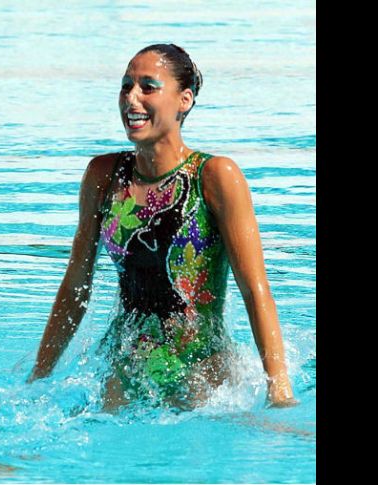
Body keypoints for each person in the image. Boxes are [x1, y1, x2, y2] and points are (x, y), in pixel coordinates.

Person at [28, 43, 296, 410]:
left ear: (184, 100)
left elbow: (255, 289)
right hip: (126, 363)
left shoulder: (215, 176)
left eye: (148, 87)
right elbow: (76, 286)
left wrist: (279, 391)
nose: (131, 98)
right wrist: (39, 375)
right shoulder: (103, 176)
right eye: (126, 86)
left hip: (201, 366)